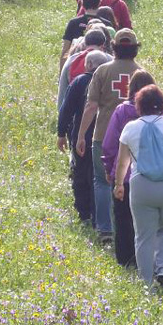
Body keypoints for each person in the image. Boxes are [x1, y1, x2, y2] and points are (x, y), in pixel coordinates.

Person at [114, 84, 163, 286]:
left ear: (139, 105)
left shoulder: (130, 128)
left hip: (142, 185)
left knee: (143, 236)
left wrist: (118, 184)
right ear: (162, 104)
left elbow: (122, 162)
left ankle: (147, 283)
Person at [76, 29, 141, 243]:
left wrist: (81, 134)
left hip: (103, 135)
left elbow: (91, 106)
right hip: (136, 138)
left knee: (102, 181)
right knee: (131, 180)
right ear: (135, 48)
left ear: (114, 47)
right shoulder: (142, 73)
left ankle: (105, 229)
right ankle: (130, 226)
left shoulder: (102, 71)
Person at [102, 70, 156, 266]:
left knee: (123, 218)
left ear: (130, 88)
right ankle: (148, 260)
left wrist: (109, 168)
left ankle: (125, 259)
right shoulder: (162, 115)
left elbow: (109, 143)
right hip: (152, 175)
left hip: (124, 175)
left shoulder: (122, 111)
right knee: (148, 221)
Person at [58, 51, 113, 225]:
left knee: (81, 174)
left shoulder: (79, 81)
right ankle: (101, 216)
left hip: (82, 136)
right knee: (102, 177)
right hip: (105, 136)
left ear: (88, 65)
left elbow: (66, 110)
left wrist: (61, 133)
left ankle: (84, 214)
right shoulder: (111, 83)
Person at [58, 28, 107, 109]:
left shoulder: (71, 60)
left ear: (84, 44)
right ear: (103, 46)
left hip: (75, 109)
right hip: (100, 111)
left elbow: (63, 89)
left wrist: (61, 111)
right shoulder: (109, 59)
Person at [60, 0, 103, 71]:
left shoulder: (73, 22)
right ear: (99, 3)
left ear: (82, 4)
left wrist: (61, 72)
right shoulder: (105, 23)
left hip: (75, 65)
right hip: (99, 66)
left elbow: (65, 49)